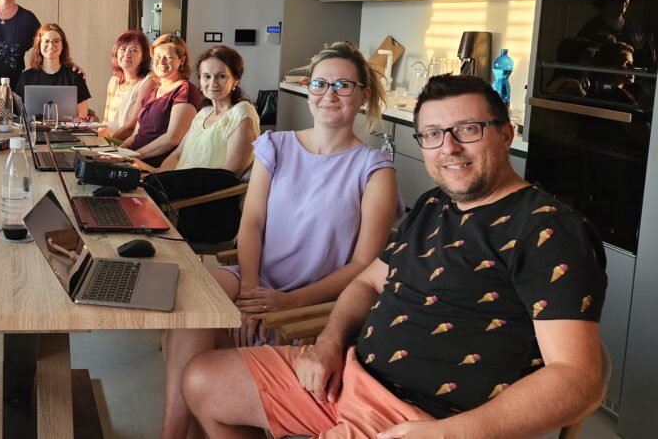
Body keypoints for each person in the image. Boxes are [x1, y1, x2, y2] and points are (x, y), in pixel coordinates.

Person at [182, 73, 607, 439]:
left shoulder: (549, 229)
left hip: (428, 419)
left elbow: (578, 378)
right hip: (350, 376)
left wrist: (450, 433)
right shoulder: (433, 206)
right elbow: (368, 281)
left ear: (506, 134)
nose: (449, 147)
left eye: (468, 129)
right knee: (202, 380)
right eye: (433, 134)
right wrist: (329, 344)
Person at [159, 41, 402, 439]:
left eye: (343, 85)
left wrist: (288, 302)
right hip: (255, 278)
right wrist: (251, 290)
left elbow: (364, 267)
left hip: (314, 298)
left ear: (363, 95)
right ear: (308, 90)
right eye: (320, 84)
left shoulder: (375, 170)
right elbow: (252, 222)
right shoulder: (277, 145)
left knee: (188, 343)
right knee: (192, 302)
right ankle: (172, 432)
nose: (329, 94)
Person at [137, 46, 259, 245]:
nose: (213, 83)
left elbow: (231, 172)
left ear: (236, 80)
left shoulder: (242, 112)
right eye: (206, 76)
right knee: (132, 190)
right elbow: (177, 155)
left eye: (221, 76)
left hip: (208, 207)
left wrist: (165, 184)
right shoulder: (203, 113)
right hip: (179, 198)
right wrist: (158, 175)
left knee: (139, 206)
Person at [120, 34, 202, 167]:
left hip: (154, 164)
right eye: (157, 57)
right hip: (133, 158)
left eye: (168, 57)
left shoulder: (185, 91)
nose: (161, 62)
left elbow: (172, 139)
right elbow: (136, 134)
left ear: (182, 60)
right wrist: (120, 150)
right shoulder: (153, 91)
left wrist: (133, 156)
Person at [15, 23, 93, 120]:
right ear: (39, 45)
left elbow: (82, 114)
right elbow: (17, 113)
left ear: (62, 45)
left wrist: (78, 120)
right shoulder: (26, 77)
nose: (51, 46)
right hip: (34, 128)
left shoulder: (75, 75)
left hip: (68, 128)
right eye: (46, 41)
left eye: (56, 41)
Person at [100, 30, 155, 141]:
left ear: (144, 56)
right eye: (123, 49)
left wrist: (105, 145)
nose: (127, 55)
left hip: (130, 144)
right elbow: (105, 123)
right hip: (111, 142)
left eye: (133, 50)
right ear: (116, 53)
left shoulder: (148, 81)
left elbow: (130, 128)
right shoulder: (114, 81)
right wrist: (96, 142)